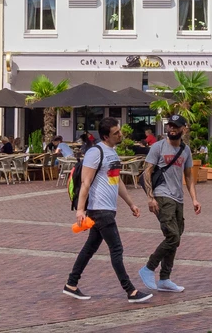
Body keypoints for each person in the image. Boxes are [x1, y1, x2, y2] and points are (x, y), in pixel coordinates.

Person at [64, 118, 151, 304]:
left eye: (119, 131)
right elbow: (86, 183)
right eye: (116, 133)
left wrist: (131, 203)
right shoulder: (95, 153)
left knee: (90, 248)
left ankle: (71, 284)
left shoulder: (112, 152)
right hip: (99, 208)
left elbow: (116, 180)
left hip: (109, 208)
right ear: (105, 136)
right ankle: (131, 291)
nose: (120, 134)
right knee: (116, 249)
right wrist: (80, 210)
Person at [138, 114, 200, 293]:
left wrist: (194, 199)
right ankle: (149, 268)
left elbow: (188, 176)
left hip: (178, 197)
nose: (172, 129)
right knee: (172, 236)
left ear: (183, 129)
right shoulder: (158, 147)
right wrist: (150, 198)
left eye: (176, 126)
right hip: (162, 195)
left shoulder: (185, 150)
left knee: (175, 238)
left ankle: (165, 278)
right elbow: (147, 172)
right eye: (170, 126)